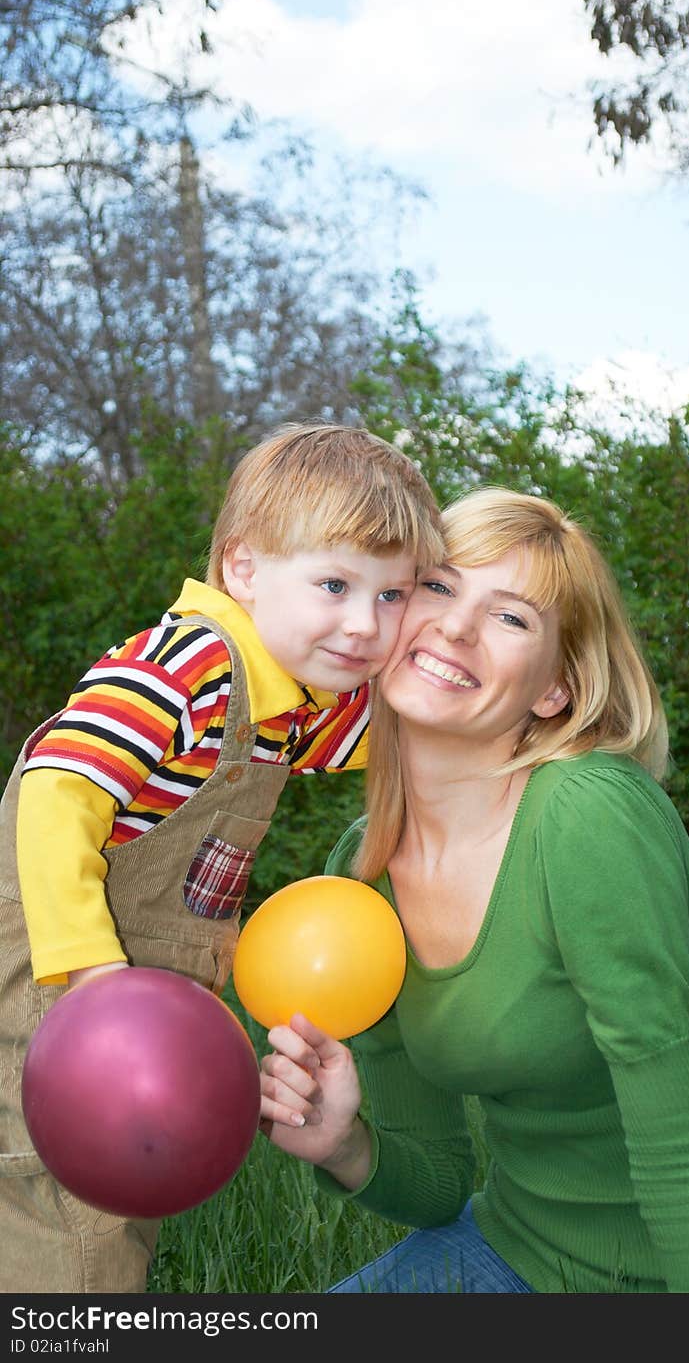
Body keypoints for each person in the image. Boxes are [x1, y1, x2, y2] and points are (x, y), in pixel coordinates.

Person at [258, 486, 689, 1294]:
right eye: (439, 586)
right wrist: (345, 1145)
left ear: (553, 689)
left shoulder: (588, 818)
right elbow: (441, 1182)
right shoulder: (363, 876)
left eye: (511, 617)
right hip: (512, 1249)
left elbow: (688, 1152)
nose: (454, 625)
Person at [0, 422, 444, 1295]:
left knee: (91, 1228)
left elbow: (393, 735)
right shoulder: (189, 663)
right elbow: (56, 793)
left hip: (135, 1037)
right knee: (75, 1252)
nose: (364, 624)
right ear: (242, 568)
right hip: (54, 1010)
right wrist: (92, 976)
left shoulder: (288, 700)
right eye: (334, 583)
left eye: (393, 597)